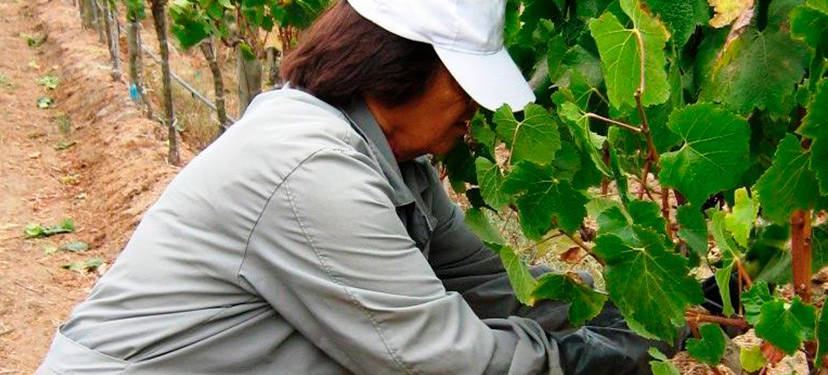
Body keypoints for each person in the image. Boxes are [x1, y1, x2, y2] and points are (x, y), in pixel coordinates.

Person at [36, 1, 679, 374]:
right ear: (398, 68)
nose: (475, 113)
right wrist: (579, 359)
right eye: (464, 86)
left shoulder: (394, 166)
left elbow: (493, 285)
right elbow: (433, 360)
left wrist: (649, 305)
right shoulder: (310, 168)